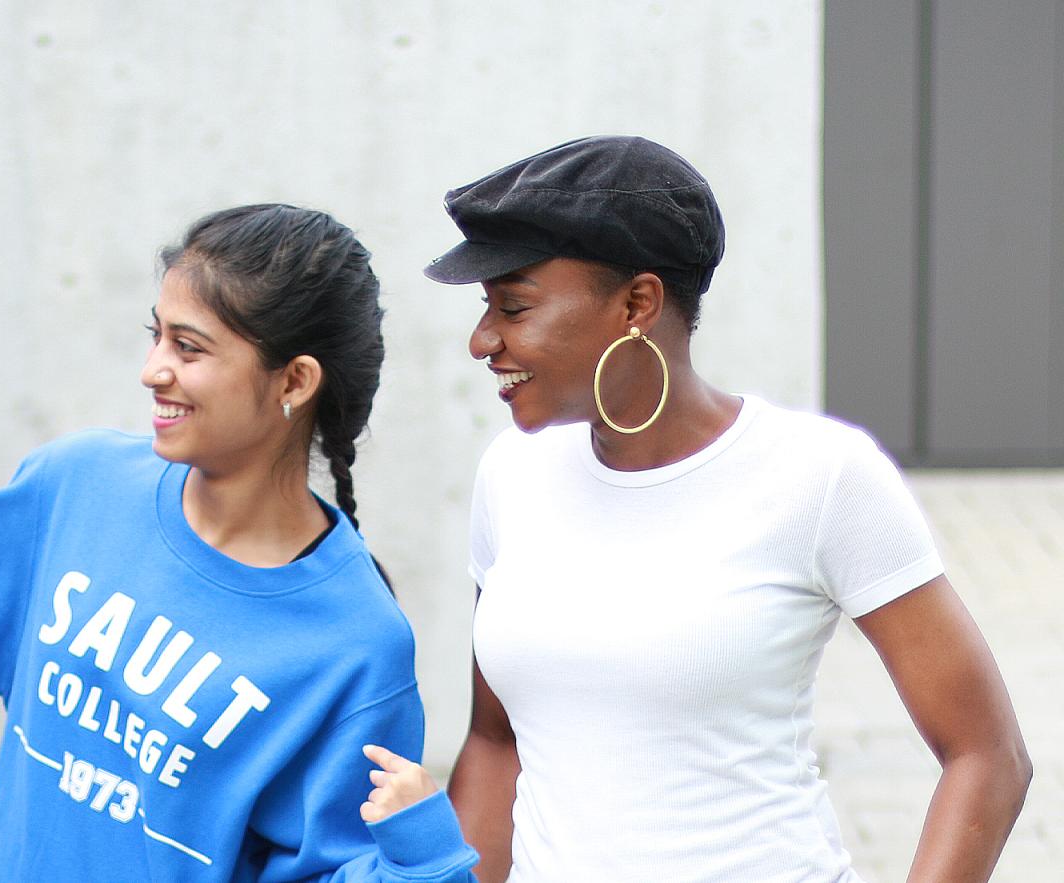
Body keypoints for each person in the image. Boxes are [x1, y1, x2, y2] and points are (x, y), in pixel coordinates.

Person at [413, 135, 1031, 882]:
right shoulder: (511, 474)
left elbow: (987, 756)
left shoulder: (819, 476)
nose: (483, 339)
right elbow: (496, 741)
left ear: (638, 303)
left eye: (513, 305)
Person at [0, 204, 479, 881]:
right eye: (155, 336)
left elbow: (324, 870)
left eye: (189, 348)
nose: (153, 369)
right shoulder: (78, 486)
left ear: (294, 381)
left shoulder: (355, 644)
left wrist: (423, 862)